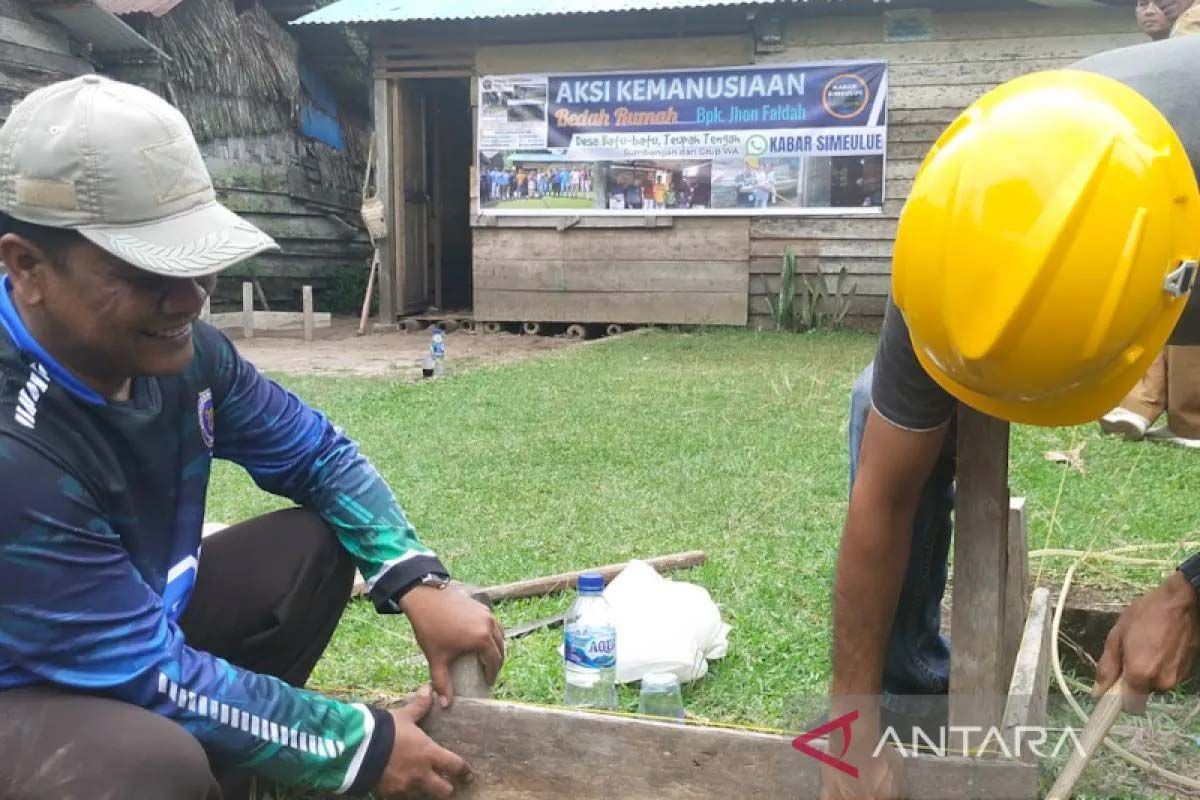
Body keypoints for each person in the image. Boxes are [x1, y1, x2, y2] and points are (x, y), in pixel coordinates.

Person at [0, 75, 506, 800]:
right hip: (22, 686)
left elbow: (318, 455)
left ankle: (235, 771)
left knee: (313, 543)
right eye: (144, 273)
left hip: (128, 632)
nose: (189, 297)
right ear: (27, 266)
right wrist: (358, 745)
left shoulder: (183, 353)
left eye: (193, 259)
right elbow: (147, 673)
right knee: (145, 767)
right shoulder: (12, 445)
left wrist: (417, 581)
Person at [825, 35, 1200, 799]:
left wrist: (1187, 588)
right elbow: (884, 496)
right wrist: (845, 731)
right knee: (881, 405)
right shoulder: (954, 226)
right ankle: (902, 698)